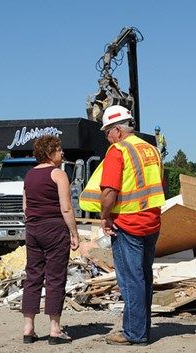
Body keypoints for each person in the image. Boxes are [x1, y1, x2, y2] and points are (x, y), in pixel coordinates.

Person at [79, 105, 166, 345]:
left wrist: (105, 217)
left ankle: (134, 333)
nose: (106, 137)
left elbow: (109, 191)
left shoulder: (118, 151)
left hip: (127, 222)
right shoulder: (151, 149)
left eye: (107, 132)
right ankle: (142, 329)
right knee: (144, 277)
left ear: (118, 130)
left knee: (130, 279)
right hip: (151, 222)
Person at [21, 135, 80, 345]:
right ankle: (55, 330)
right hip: (54, 229)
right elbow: (66, 208)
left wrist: (33, 224)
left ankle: (28, 329)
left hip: (33, 229)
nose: (62, 153)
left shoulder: (28, 176)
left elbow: (25, 207)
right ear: (49, 153)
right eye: (58, 149)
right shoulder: (58, 174)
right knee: (55, 278)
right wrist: (74, 233)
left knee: (33, 276)